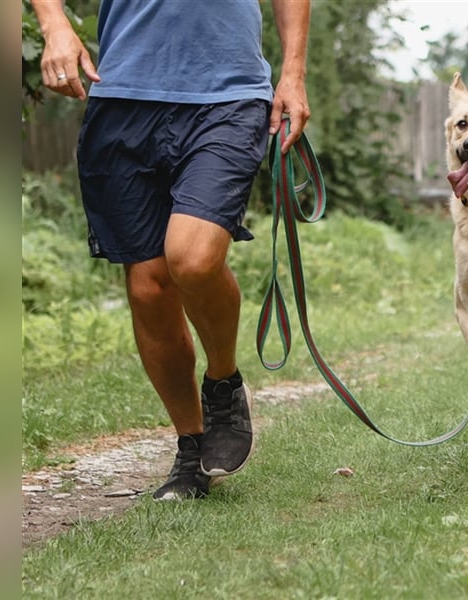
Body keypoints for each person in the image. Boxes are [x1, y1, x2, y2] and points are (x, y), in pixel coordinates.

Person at [32, 0, 311, 500]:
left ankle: (222, 381)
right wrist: (53, 25)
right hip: (122, 95)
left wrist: (292, 73)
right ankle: (191, 449)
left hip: (229, 94)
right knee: (148, 286)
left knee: (193, 258)